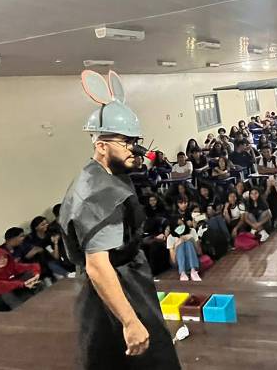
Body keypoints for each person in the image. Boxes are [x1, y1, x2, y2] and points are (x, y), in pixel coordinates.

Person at [58, 70, 180, 369]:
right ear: (101, 145)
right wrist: (130, 321)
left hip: (128, 278)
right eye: (126, 142)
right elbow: (98, 266)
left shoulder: (107, 174)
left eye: (135, 141)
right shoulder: (98, 194)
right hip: (116, 287)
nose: (135, 150)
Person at [0, 245, 41, 310]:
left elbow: (32, 266)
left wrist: (36, 275)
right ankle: (21, 310)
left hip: (13, 290)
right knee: (5, 291)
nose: (2, 260)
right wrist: (21, 284)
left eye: (4, 258)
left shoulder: (10, 266)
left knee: (29, 274)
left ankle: (37, 298)